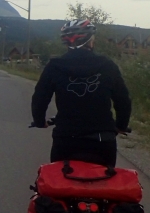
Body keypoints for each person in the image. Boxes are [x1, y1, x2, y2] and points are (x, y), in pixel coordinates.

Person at [31, 19, 131, 167]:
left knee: (59, 184)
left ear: (66, 42)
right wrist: (121, 125)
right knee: (105, 182)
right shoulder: (107, 66)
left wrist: (40, 121)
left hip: (66, 138)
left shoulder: (55, 66)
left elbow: (40, 99)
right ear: (91, 40)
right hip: (102, 139)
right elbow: (123, 100)